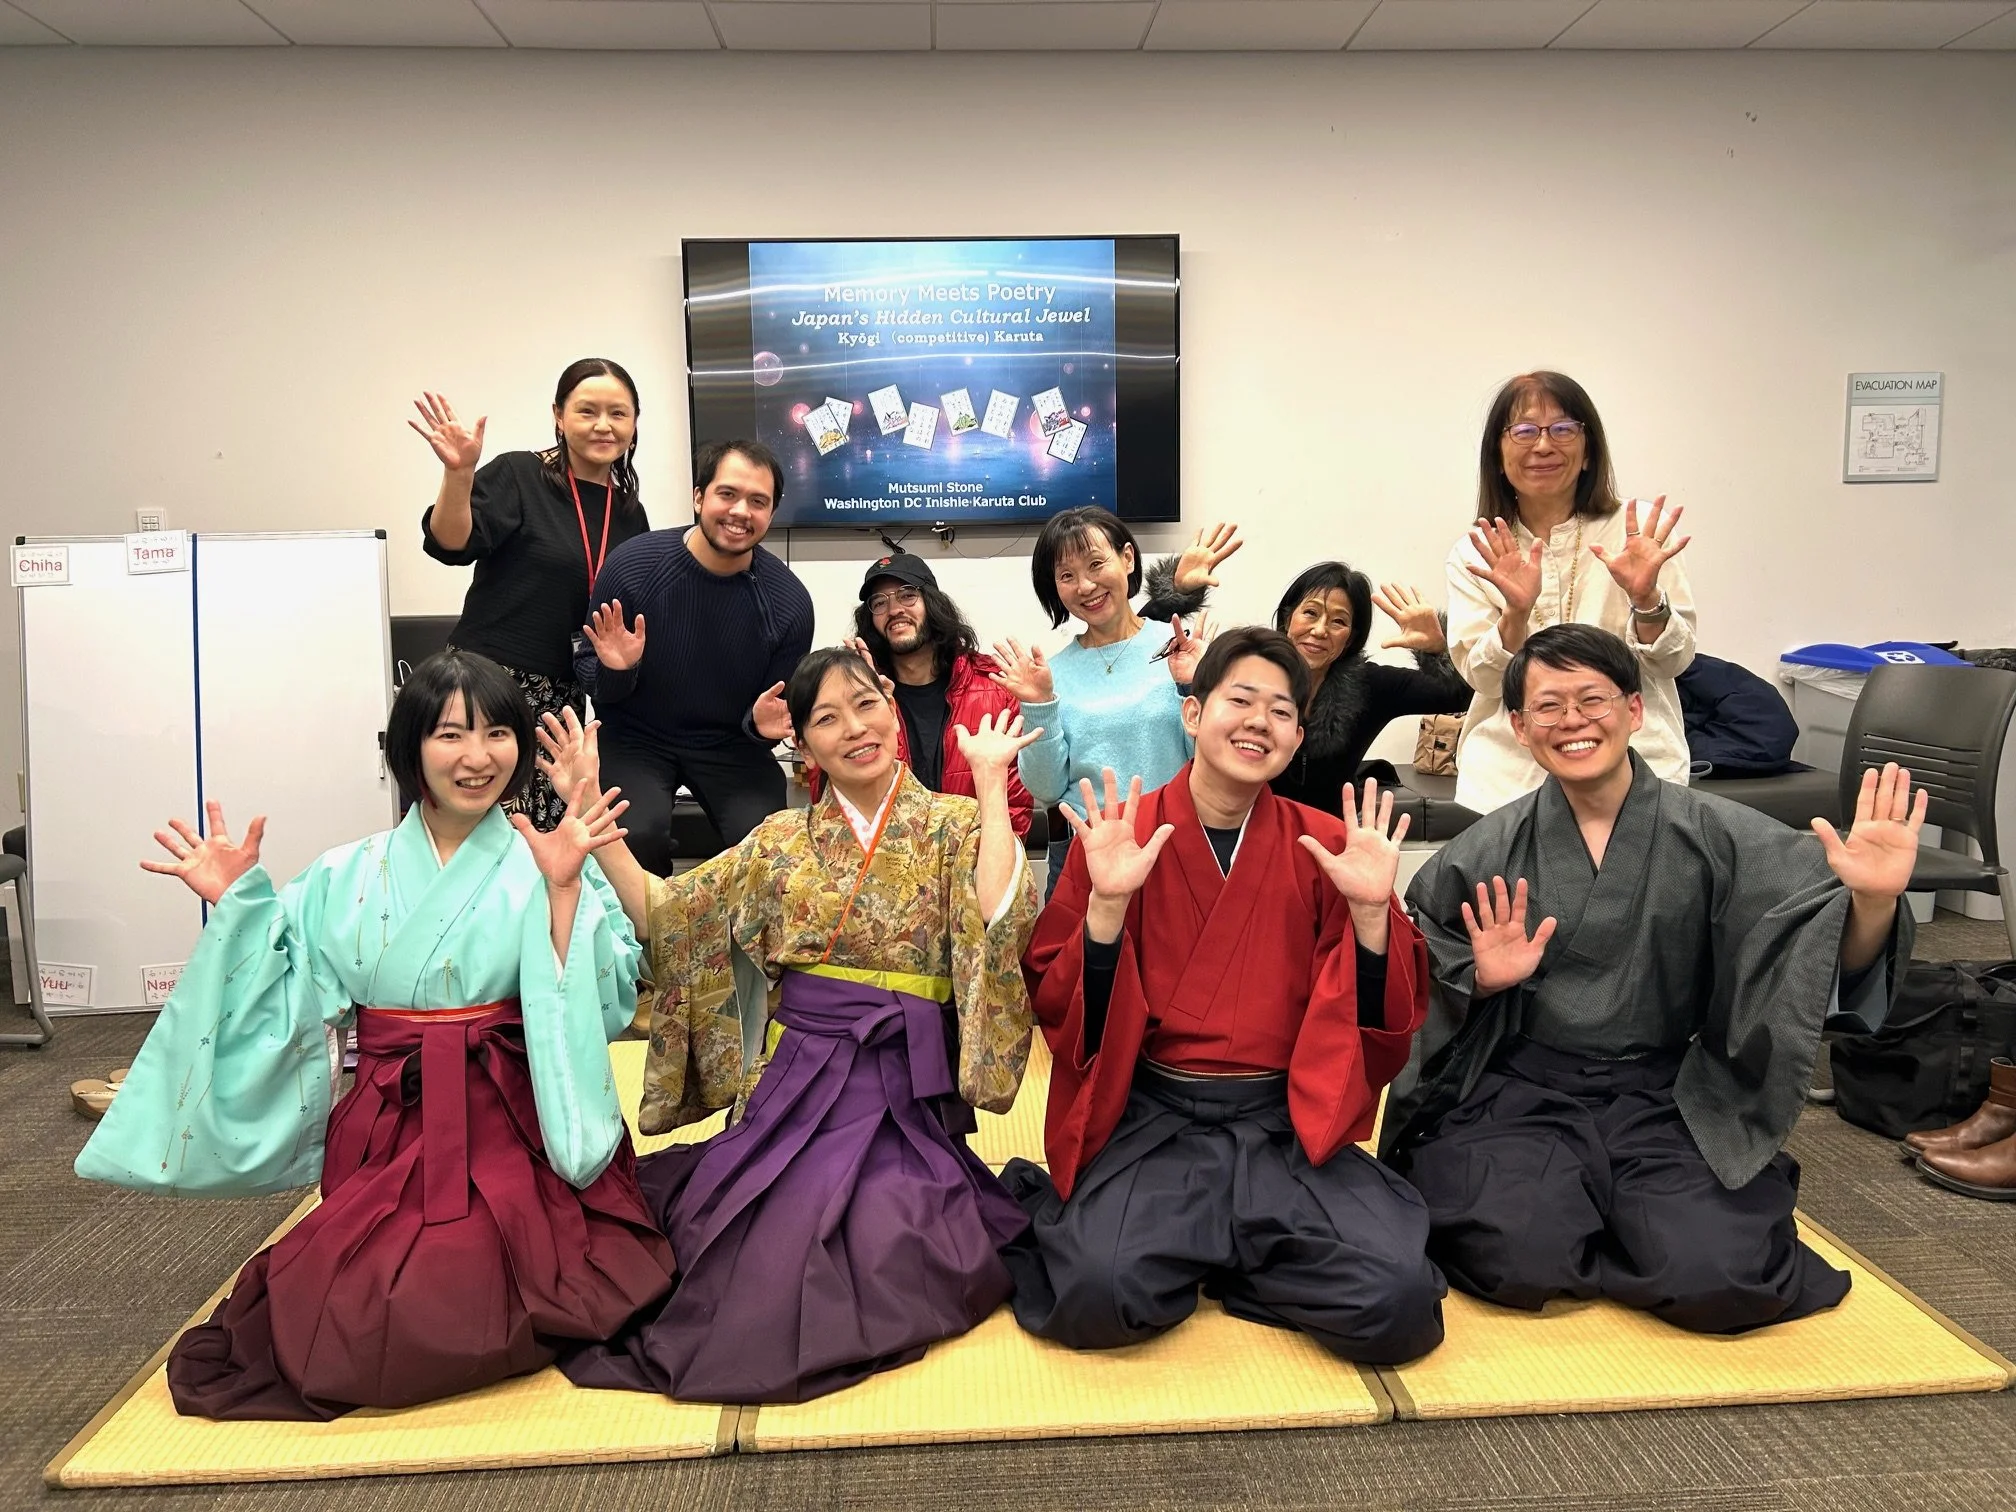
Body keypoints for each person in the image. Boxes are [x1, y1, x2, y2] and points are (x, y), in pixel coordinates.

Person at [74, 652, 671, 1420]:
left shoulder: (550, 856)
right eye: (450, 734)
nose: (477, 757)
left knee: (500, 1281)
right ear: (410, 747)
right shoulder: (345, 873)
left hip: (517, 1113)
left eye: (497, 733)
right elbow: (288, 990)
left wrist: (562, 890)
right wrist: (241, 909)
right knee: (355, 1307)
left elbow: (610, 994)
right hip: (397, 1116)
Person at [1389, 625, 1921, 1334]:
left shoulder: (1723, 834)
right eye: (1548, 707)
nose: (1572, 721)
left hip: (1672, 1096)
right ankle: (1598, 1218)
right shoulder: (1488, 846)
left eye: (1593, 699)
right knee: (1514, 1260)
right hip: (1524, 1092)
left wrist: (1875, 900)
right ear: (1518, 727)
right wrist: (1481, 981)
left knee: (1720, 1277)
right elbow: (1424, 964)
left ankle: (1629, 1220)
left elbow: (1815, 947)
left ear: (1635, 711)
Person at [554, 647, 1041, 1404]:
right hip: (798, 1078)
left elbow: (997, 916)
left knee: (892, 1232)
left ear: (891, 708)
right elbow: (668, 914)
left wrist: (985, 779)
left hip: (903, 1091)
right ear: (802, 747)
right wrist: (593, 816)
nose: (855, 728)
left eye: (867, 704)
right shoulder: (780, 842)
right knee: (751, 1233)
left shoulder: (950, 823)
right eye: (826, 719)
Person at [1001, 627, 1447, 1366]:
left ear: (1297, 737)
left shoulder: (1326, 843)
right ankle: (1230, 1249)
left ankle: (1207, 1253)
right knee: (1095, 1292)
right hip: (1155, 1120)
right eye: (1240, 700)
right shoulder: (1122, 834)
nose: (1258, 722)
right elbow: (1058, 1002)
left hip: (1283, 1124)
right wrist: (1106, 911)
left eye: (1280, 712)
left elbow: (1381, 1023)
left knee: (1396, 1301)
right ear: (1192, 714)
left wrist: (1374, 915)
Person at [1444, 371, 1697, 814]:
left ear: (1587, 452)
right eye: (1524, 431)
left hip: (1638, 769)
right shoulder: (1476, 552)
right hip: (1511, 781)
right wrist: (1515, 615)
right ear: (1497, 457)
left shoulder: (1636, 532)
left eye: (1562, 429)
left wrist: (1646, 603)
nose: (1543, 445)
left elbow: (1675, 661)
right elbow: (1482, 679)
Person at [416, 360, 651, 829]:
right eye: (587, 411)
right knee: (474, 825)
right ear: (559, 417)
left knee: (540, 837)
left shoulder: (629, 512)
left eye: (618, 414)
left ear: (633, 424)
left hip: (562, 696)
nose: (603, 425)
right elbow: (452, 543)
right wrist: (459, 474)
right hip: (488, 684)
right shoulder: (521, 474)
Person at [575, 438, 814, 870]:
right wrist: (617, 670)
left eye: (757, 501)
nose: (741, 511)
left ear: (771, 514)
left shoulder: (789, 603)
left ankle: (741, 935)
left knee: (769, 842)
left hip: (731, 744)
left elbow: (774, 710)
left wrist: (761, 729)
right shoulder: (633, 568)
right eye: (728, 494)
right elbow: (593, 677)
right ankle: (645, 935)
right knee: (633, 835)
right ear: (699, 496)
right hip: (636, 738)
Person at [990, 510, 1236, 893]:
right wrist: (1040, 703)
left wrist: (1193, 688)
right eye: (1066, 575)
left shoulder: (1181, 649)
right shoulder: (1051, 674)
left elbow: (1212, 760)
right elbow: (1047, 789)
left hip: (1174, 842)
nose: (1085, 585)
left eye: (1095, 564)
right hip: (1085, 853)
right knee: (1089, 954)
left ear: (1127, 559)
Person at [822, 551, 1034, 835]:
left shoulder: (995, 687)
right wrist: (858, 694)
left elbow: (1015, 804)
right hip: (886, 867)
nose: (894, 609)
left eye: (907, 595)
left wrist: (986, 868)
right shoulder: (859, 699)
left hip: (975, 866)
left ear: (933, 603)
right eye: (879, 602)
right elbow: (832, 798)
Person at [1268, 562, 1472, 813]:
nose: (1320, 630)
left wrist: (1437, 651)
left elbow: (1460, 696)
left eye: (1338, 621)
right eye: (1310, 613)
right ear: (1288, 618)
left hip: (1332, 836)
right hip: (1254, 833)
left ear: (1351, 637)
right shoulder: (1253, 673)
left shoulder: (1369, 685)